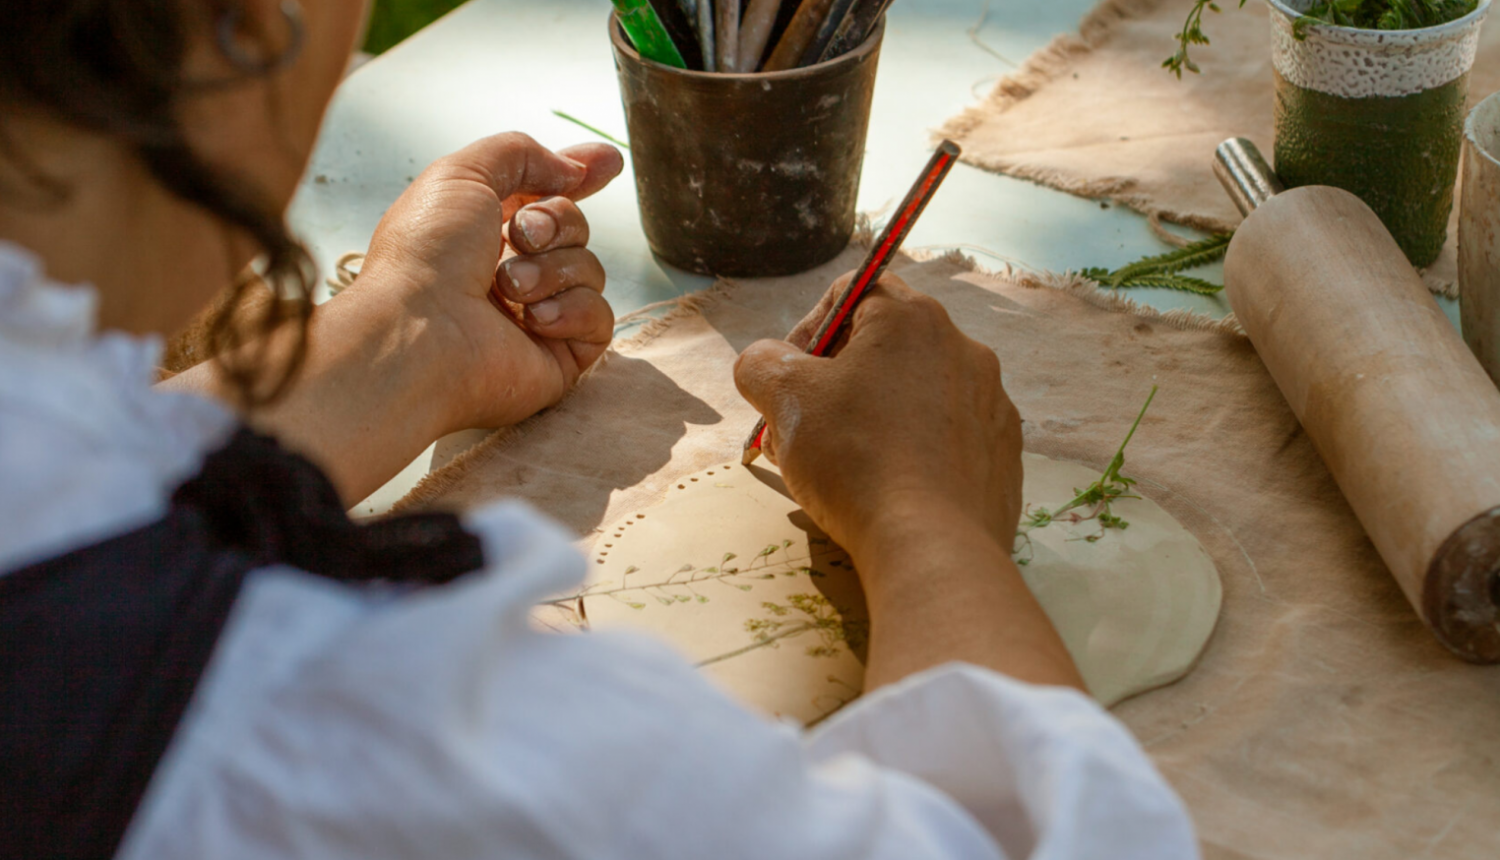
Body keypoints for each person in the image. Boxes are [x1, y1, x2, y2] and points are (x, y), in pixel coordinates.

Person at [0, 2, 1199, 858]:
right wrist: (925, 509)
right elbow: (1048, 827)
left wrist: (405, 339)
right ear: (243, 29)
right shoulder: (316, 732)